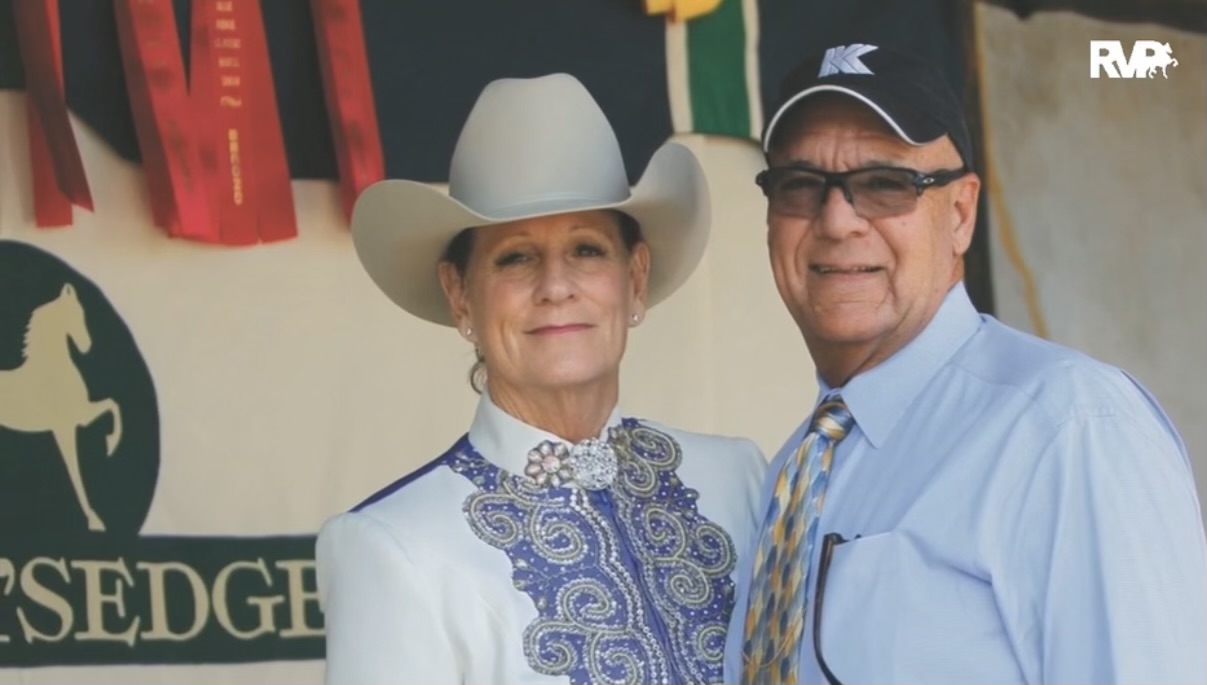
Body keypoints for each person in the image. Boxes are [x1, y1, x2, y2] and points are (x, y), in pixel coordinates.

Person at [724, 42, 1207, 685]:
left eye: (886, 184)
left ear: (960, 214)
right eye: (800, 185)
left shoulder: (1068, 428)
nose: (837, 221)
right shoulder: (796, 470)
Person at [315, 73, 767, 685]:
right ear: (460, 294)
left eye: (587, 249)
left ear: (635, 278)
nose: (556, 286)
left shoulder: (737, 478)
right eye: (516, 257)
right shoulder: (394, 547)